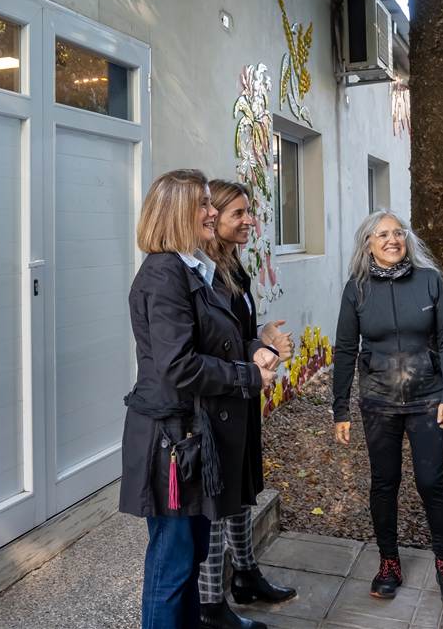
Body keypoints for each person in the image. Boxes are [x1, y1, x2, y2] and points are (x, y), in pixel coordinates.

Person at [120, 169, 279, 629]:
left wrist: (254, 351)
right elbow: (178, 365)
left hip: (194, 440)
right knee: (171, 568)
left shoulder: (190, 269)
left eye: (212, 203)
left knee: (187, 563)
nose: (212, 213)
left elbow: (221, 338)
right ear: (176, 214)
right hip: (172, 441)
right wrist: (246, 375)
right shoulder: (164, 274)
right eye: (204, 205)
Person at [332, 210, 443, 605]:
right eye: (382, 235)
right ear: (368, 244)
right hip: (379, 402)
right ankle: (388, 561)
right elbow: (344, 350)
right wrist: (340, 409)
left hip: (428, 399)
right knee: (384, 484)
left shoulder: (430, 281)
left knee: (431, 483)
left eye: (398, 233)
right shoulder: (356, 289)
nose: (393, 240)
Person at [198, 180, 298, 629]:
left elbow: (238, 333)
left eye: (248, 212)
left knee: (241, 493)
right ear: (213, 216)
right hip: (217, 400)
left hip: (241, 393)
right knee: (218, 503)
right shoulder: (199, 273)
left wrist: (264, 342)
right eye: (238, 213)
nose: (249, 220)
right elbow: (206, 345)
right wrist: (255, 350)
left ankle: (246, 575)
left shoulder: (232, 266)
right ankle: (211, 605)